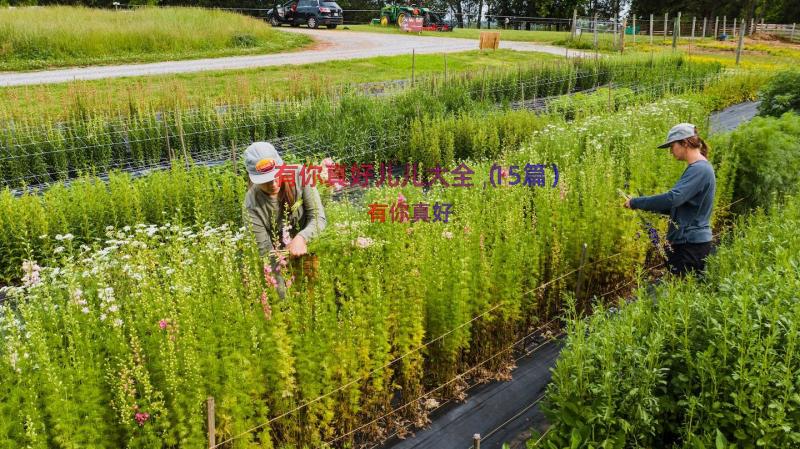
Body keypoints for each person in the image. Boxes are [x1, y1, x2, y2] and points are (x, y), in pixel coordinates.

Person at [624, 123, 716, 277]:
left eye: (672, 146)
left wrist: (636, 202)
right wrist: (643, 206)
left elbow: (673, 198)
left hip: (690, 245)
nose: (670, 152)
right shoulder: (698, 168)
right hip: (690, 244)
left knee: (685, 293)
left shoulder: (699, 169)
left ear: (684, 143)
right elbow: (678, 205)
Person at [243, 142, 326, 299]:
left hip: (309, 248)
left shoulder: (300, 175)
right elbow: (265, 252)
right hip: (278, 260)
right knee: (284, 299)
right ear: (252, 179)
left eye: (276, 175)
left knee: (315, 294)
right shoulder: (251, 205)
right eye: (265, 181)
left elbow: (318, 218)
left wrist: (302, 238)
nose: (273, 184)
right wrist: (282, 294)